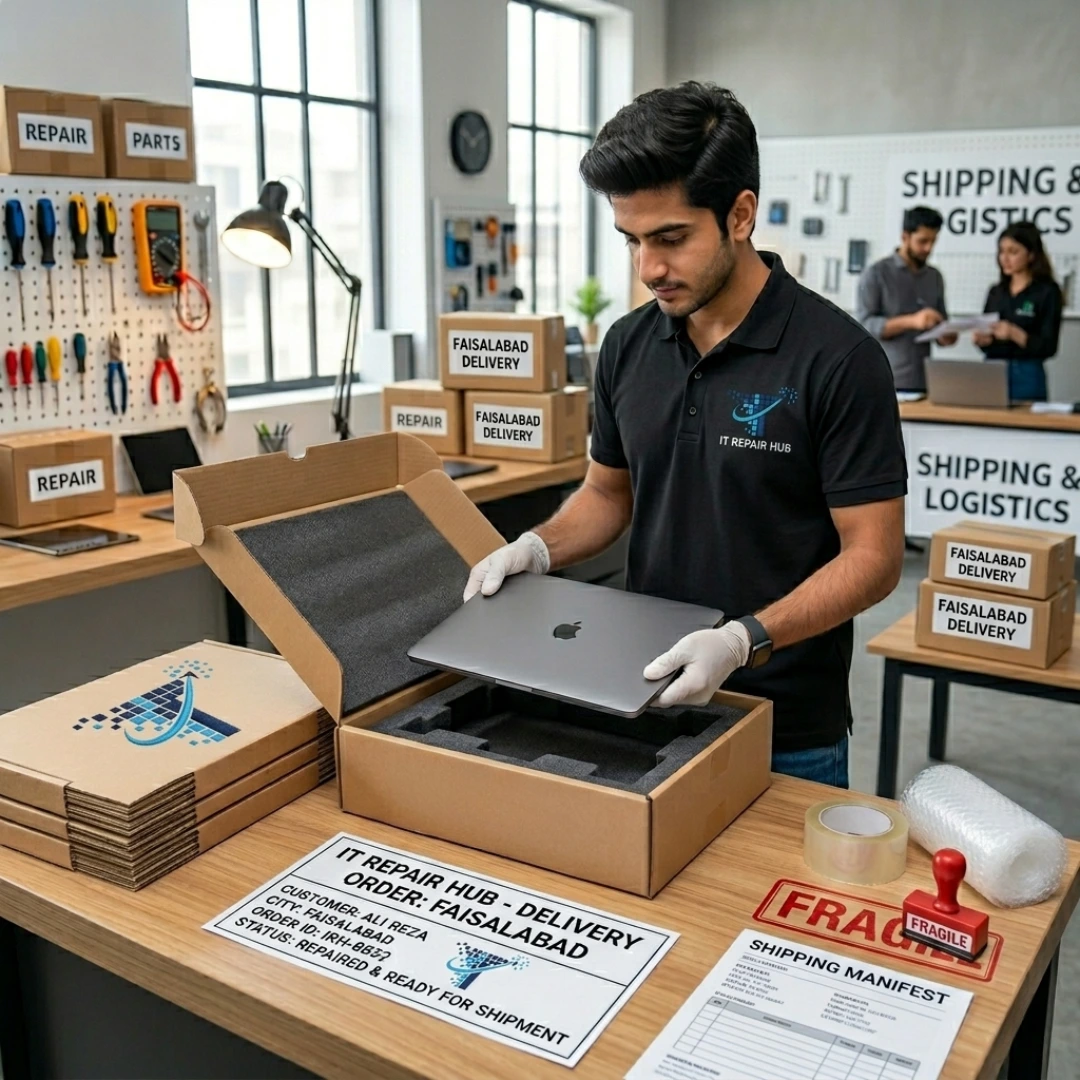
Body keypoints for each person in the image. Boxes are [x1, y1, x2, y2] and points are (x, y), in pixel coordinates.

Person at [462, 82, 907, 789]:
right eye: (632, 241)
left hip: (785, 726)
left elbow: (876, 557)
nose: (648, 270)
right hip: (647, 701)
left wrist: (742, 639)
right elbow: (608, 495)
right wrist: (540, 547)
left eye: (670, 238)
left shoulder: (838, 359)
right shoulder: (627, 346)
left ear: (740, 214)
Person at [856, 206, 959, 392]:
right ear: (905, 237)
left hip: (924, 383)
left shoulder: (934, 277)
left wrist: (946, 336)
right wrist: (912, 321)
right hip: (883, 382)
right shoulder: (876, 274)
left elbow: (941, 326)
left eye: (933, 241)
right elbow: (864, 326)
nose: (928, 248)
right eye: (922, 241)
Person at [974, 222, 1064, 402]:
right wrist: (982, 340)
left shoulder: (1047, 292)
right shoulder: (996, 291)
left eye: (1013, 252)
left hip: (1027, 374)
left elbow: (1048, 346)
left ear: (1031, 255)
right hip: (993, 370)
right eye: (1001, 251)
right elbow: (988, 336)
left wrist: (1015, 334)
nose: (1005, 258)